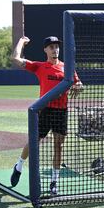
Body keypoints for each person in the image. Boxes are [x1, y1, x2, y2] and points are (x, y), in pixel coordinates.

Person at [10, 35, 83, 195]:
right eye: (51, 47)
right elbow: (15, 58)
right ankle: (19, 165)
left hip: (61, 111)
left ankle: (54, 182)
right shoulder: (39, 66)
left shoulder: (68, 67)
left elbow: (78, 83)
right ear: (45, 50)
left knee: (59, 146)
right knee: (34, 142)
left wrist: (79, 86)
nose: (55, 49)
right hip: (44, 110)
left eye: (57, 46)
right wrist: (22, 41)